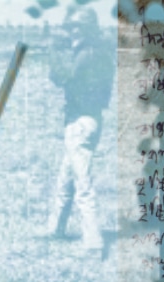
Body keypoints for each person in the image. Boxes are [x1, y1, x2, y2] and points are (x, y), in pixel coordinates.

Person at [42, 7, 111, 254]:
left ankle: (93, 240)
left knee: (82, 183)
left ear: (88, 28)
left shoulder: (86, 53)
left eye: (77, 27)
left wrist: (54, 50)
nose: (72, 31)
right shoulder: (101, 49)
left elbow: (62, 76)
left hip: (80, 122)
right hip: (90, 119)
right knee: (66, 177)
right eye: (70, 26)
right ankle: (55, 229)